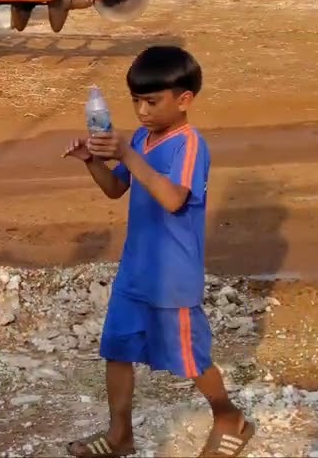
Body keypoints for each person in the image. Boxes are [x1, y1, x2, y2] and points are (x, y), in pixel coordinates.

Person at [62, 46, 252, 458]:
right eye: (135, 101)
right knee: (117, 348)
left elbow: (172, 199)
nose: (142, 111)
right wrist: (92, 161)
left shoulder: (190, 145)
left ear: (184, 100)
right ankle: (119, 435)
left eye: (151, 101)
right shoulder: (141, 139)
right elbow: (116, 188)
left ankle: (228, 417)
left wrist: (127, 154)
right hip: (136, 270)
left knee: (190, 358)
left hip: (173, 275)